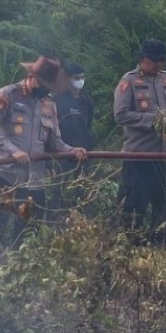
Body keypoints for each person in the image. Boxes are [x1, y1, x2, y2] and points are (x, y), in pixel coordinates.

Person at [0, 56, 87, 263]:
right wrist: (12, 151)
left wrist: (72, 150)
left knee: (28, 230)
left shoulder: (49, 103)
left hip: (35, 180)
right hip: (4, 176)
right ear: (32, 78)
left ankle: (18, 272)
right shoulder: (8, 94)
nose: (47, 89)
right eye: (44, 85)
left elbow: (55, 141)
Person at [113, 39, 166, 234]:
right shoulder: (129, 81)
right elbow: (121, 115)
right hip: (140, 154)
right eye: (155, 60)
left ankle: (160, 239)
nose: (159, 64)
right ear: (143, 59)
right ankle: (130, 241)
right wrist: (154, 120)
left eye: (162, 61)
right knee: (134, 203)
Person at [50, 62, 95, 219]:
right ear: (68, 79)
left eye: (83, 77)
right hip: (62, 152)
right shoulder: (57, 100)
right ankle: (54, 222)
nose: (81, 81)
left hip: (83, 151)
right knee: (58, 190)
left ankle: (81, 221)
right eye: (77, 78)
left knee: (82, 189)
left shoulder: (87, 101)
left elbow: (88, 124)